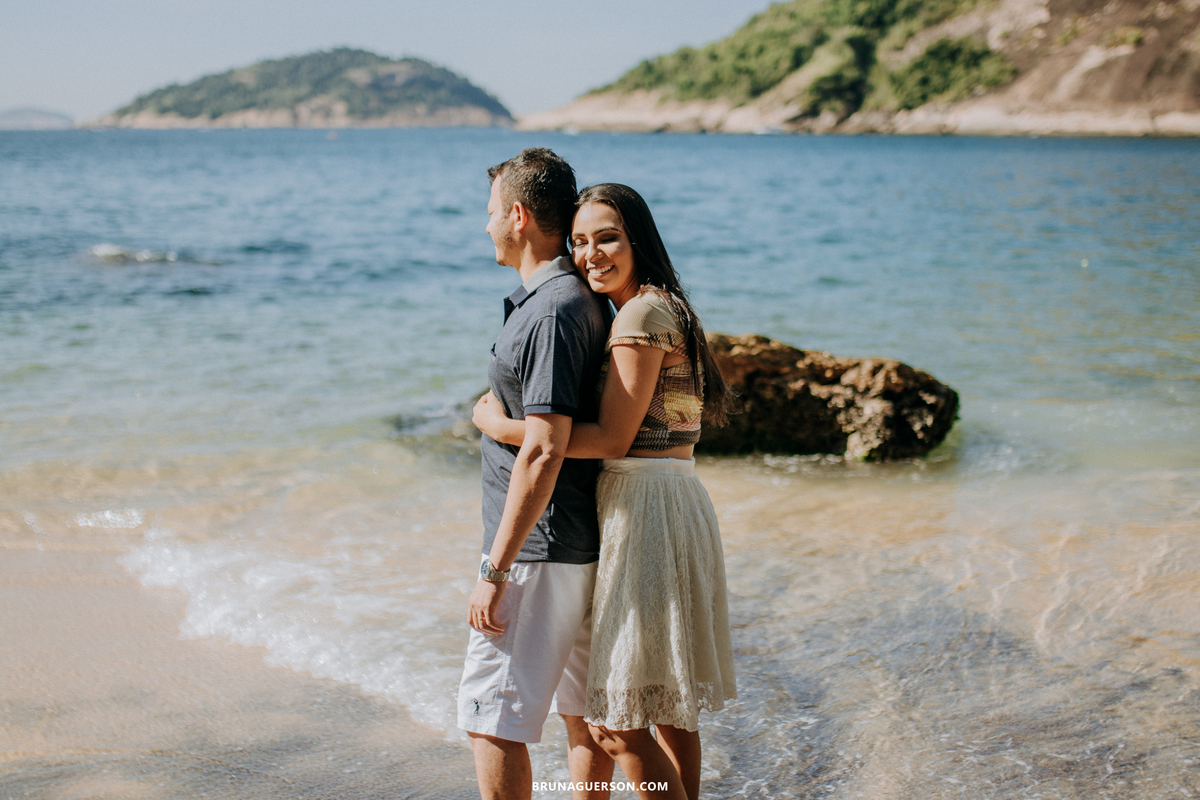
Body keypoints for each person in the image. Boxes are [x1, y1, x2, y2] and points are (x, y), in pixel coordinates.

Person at [474, 183, 737, 800]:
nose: (591, 254)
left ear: (637, 239)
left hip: (644, 507)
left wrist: (503, 427)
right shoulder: (659, 306)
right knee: (669, 706)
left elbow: (613, 438)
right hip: (672, 499)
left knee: (615, 725)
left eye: (608, 238)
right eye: (580, 241)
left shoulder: (639, 317)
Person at [457, 149, 615, 800]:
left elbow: (547, 448)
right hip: (572, 542)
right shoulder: (571, 298)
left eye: (491, 213)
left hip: (539, 548)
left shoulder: (551, 309)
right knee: (585, 717)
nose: (486, 226)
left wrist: (495, 570)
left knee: (492, 719)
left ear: (518, 216)